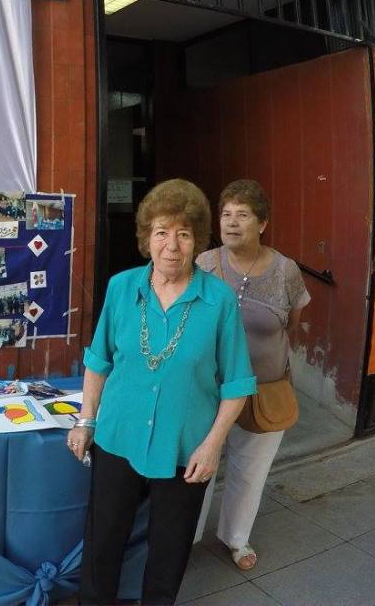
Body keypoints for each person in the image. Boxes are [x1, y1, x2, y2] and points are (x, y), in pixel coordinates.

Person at [70, 178, 256, 605]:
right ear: (147, 238)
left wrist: (212, 446)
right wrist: (86, 421)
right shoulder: (121, 288)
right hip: (117, 437)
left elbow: (237, 384)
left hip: (185, 446)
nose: (172, 245)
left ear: (197, 241)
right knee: (102, 544)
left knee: (169, 552)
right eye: (161, 232)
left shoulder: (219, 300)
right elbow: (98, 361)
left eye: (184, 234)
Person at [196, 179, 311, 572]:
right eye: (226, 214)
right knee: (197, 465)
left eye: (242, 215)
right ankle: (185, 535)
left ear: (262, 223)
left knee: (250, 470)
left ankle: (236, 537)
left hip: (265, 388)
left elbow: (291, 322)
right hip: (208, 388)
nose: (231, 222)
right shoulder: (204, 264)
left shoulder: (285, 271)